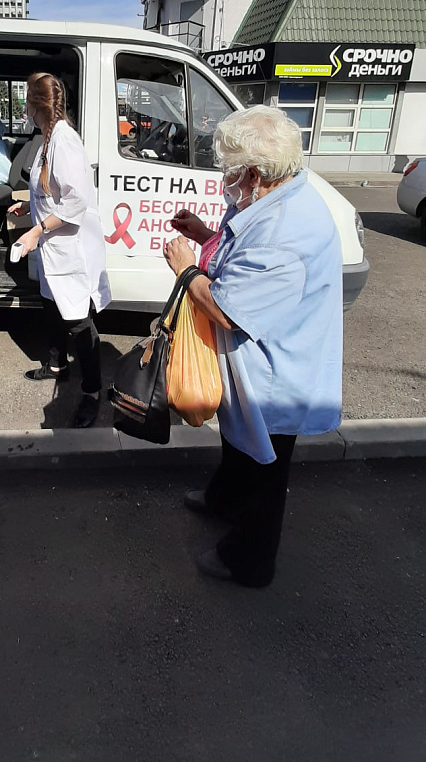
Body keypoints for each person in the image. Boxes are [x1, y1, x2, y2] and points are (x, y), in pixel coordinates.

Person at [163, 105, 342, 588]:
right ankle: (223, 499)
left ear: (256, 174)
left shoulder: (286, 232)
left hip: (279, 374)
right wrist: (204, 236)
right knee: (241, 442)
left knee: (267, 465)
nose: (225, 181)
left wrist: (185, 269)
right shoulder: (277, 194)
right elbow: (239, 250)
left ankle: (251, 560)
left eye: (229, 172)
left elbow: (227, 310)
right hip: (263, 360)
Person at [9, 72, 111, 428]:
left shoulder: (64, 141)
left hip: (70, 248)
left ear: (36, 104)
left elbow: (76, 200)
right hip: (53, 247)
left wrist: (36, 229)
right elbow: (49, 190)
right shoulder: (46, 138)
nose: (24, 107)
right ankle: (57, 365)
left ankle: (93, 393)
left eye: (26, 100)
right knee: (52, 306)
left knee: (79, 320)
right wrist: (28, 207)